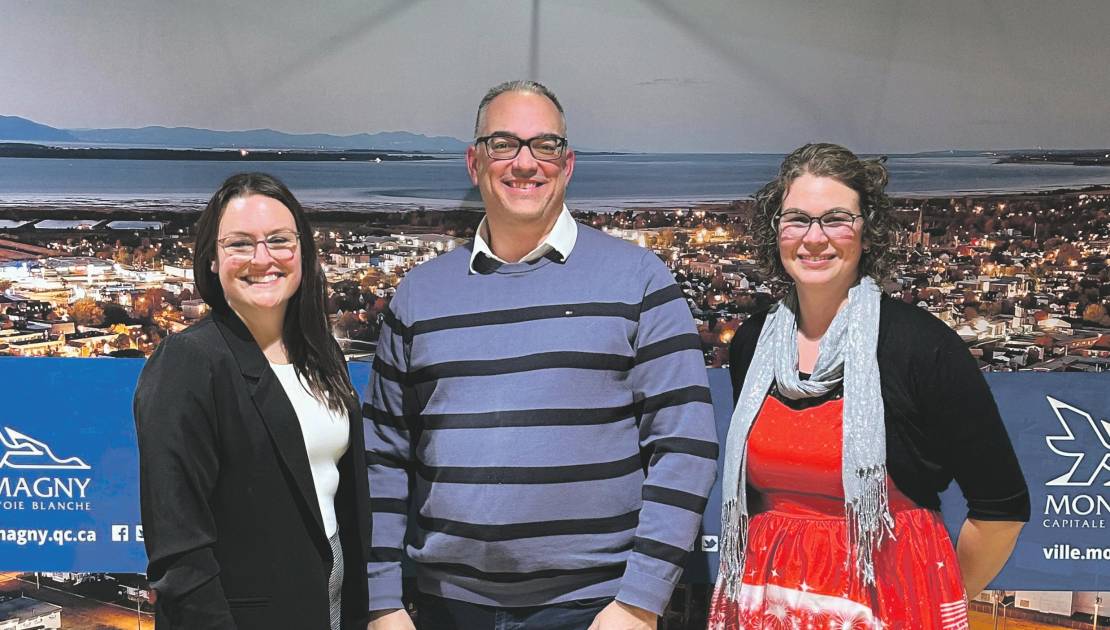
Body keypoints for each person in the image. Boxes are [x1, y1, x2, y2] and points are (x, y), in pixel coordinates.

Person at [364, 80, 718, 630]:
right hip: (448, 609)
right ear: (474, 162)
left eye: (545, 146)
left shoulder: (639, 279)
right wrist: (383, 603)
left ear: (568, 164)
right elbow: (384, 455)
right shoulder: (419, 294)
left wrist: (639, 602)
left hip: (597, 609)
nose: (525, 163)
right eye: (503, 143)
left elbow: (685, 445)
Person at [709, 143, 1030, 628]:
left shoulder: (922, 347)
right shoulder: (753, 343)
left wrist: (934, 594)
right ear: (775, 231)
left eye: (836, 218)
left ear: (867, 232)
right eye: (797, 219)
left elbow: (1001, 509)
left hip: (890, 596)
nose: (814, 238)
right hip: (768, 597)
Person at [134, 173, 369, 630]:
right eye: (240, 244)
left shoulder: (321, 352)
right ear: (211, 259)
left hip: (330, 607)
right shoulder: (188, 363)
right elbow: (179, 549)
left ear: (302, 250)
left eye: (279, 240)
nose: (263, 259)